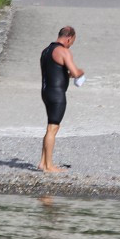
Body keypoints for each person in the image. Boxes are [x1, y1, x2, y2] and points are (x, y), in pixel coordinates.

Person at [38, 25, 84, 172]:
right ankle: (49, 166)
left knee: (50, 126)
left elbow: (56, 72)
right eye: (72, 42)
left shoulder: (46, 51)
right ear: (69, 38)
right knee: (53, 127)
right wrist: (81, 72)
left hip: (46, 92)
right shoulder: (63, 51)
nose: (71, 45)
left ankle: (42, 162)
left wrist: (68, 75)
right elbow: (75, 73)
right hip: (57, 94)